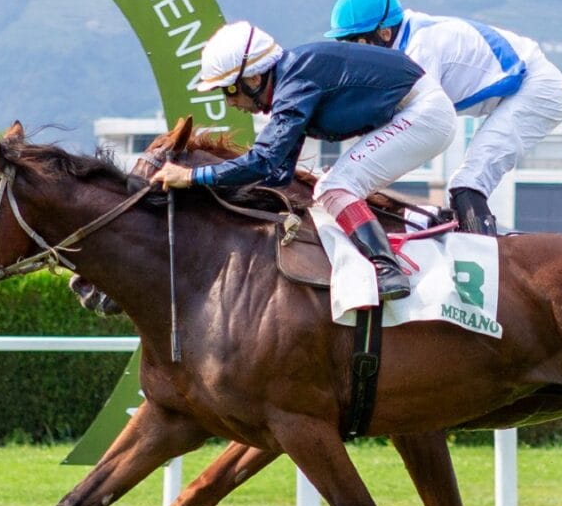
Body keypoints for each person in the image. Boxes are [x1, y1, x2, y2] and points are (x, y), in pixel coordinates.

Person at [150, 20, 456, 302]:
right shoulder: (293, 78)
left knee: (334, 186)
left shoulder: (295, 84)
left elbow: (262, 160)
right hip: (417, 111)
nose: (230, 103)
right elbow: (277, 175)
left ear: (255, 77)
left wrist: (193, 177)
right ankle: (427, 220)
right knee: (332, 187)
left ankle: (387, 269)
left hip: (422, 113)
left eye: (230, 89)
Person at [324, 0, 562, 235]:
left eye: (357, 41)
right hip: (513, 88)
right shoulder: (402, 39)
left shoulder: (420, 50)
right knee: (464, 184)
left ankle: (486, 259)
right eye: (343, 43)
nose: (352, 52)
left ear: (384, 33)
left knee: (467, 184)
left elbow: (397, 124)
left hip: (537, 89)